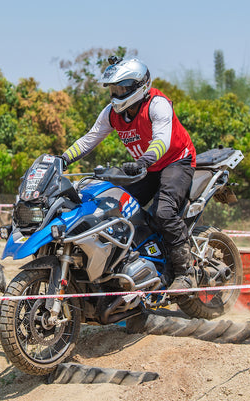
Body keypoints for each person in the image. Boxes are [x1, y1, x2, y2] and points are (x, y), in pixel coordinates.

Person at [61, 57, 197, 291]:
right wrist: (62, 159)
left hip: (176, 161)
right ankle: (142, 264)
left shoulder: (157, 104)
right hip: (147, 167)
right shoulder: (111, 114)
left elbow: (161, 140)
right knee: (117, 209)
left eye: (122, 88)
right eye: (113, 89)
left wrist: (144, 160)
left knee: (163, 212)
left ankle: (186, 271)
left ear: (139, 87)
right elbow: (89, 139)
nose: (116, 94)